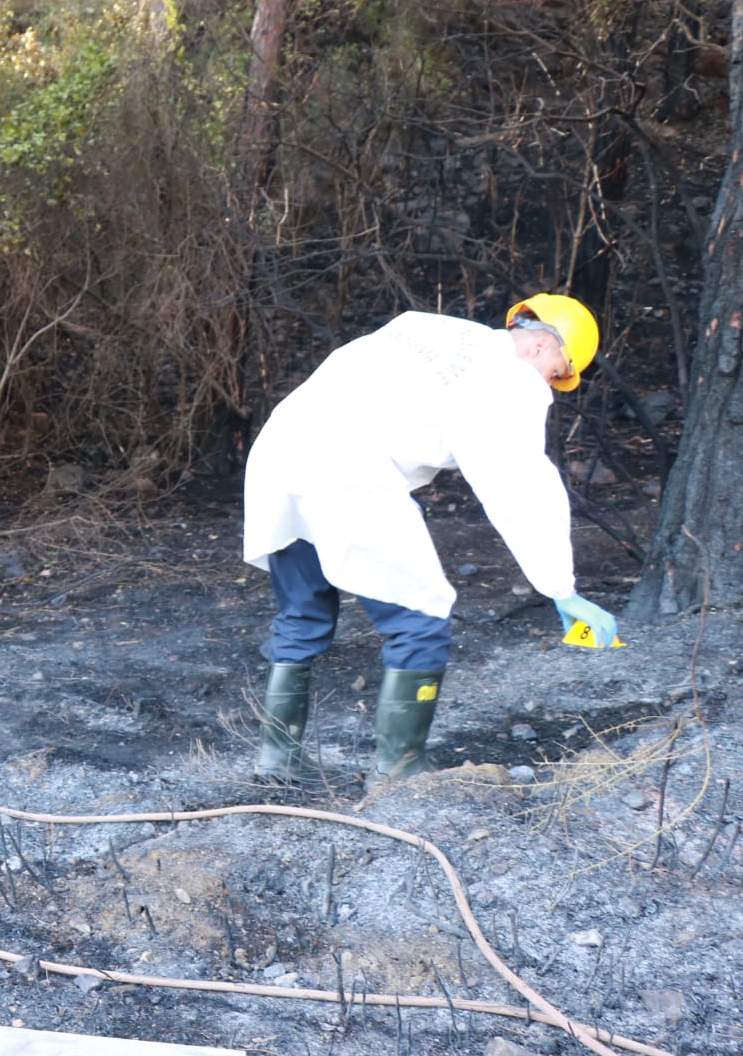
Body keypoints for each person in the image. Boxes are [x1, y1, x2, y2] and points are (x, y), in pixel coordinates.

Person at [242, 295, 620, 785]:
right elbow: (517, 479)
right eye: (558, 371)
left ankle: (276, 764)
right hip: (346, 470)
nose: (552, 384)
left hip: (281, 451)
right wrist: (560, 586)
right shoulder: (508, 380)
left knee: (303, 614)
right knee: (421, 618)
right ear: (542, 345)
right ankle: (401, 775)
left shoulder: (434, 330)